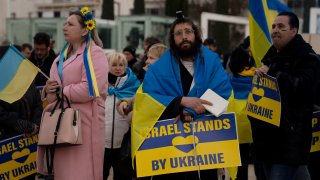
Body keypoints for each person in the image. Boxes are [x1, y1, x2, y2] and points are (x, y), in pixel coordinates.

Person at [131, 12, 233, 180]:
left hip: (206, 150)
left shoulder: (212, 62)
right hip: (170, 153)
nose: (184, 36)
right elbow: (147, 101)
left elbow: (224, 93)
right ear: (172, 38)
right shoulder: (158, 69)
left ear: (196, 34)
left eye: (188, 31)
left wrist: (192, 111)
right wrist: (180, 101)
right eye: (178, 33)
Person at [37, 7, 108, 180]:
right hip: (62, 125)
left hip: (85, 124)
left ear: (85, 30)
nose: (64, 27)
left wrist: (61, 91)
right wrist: (49, 90)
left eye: (70, 24)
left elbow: (91, 89)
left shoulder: (95, 53)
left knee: (82, 173)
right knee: (64, 174)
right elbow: (52, 95)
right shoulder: (59, 57)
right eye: (64, 24)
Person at [251, 12, 320, 180]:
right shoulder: (271, 57)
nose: (275, 30)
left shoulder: (309, 58)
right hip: (266, 141)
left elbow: (302, 85)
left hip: (289, 143)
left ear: (294, 31)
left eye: (281, 27)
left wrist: (273, 73)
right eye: (274, 26)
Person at [0, 45, 42, 180]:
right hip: (8, 142)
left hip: (30, 141)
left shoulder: (25, 78)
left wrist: (35, 125)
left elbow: (37, 103)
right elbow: (2, 114)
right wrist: (24, 125)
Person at [104, 52, 140, 180]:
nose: (118, 68)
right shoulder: (100, 85)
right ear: (106, 66)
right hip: (102, 143)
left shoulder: (133, 85)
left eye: (121, 65)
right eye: (114, 65)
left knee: (122, 176)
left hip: (124, 143)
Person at [228, 37, 256, 180]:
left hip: (235, 131)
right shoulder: (258, 80)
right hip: (255, 131)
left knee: (240, 167)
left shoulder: (227, 83)